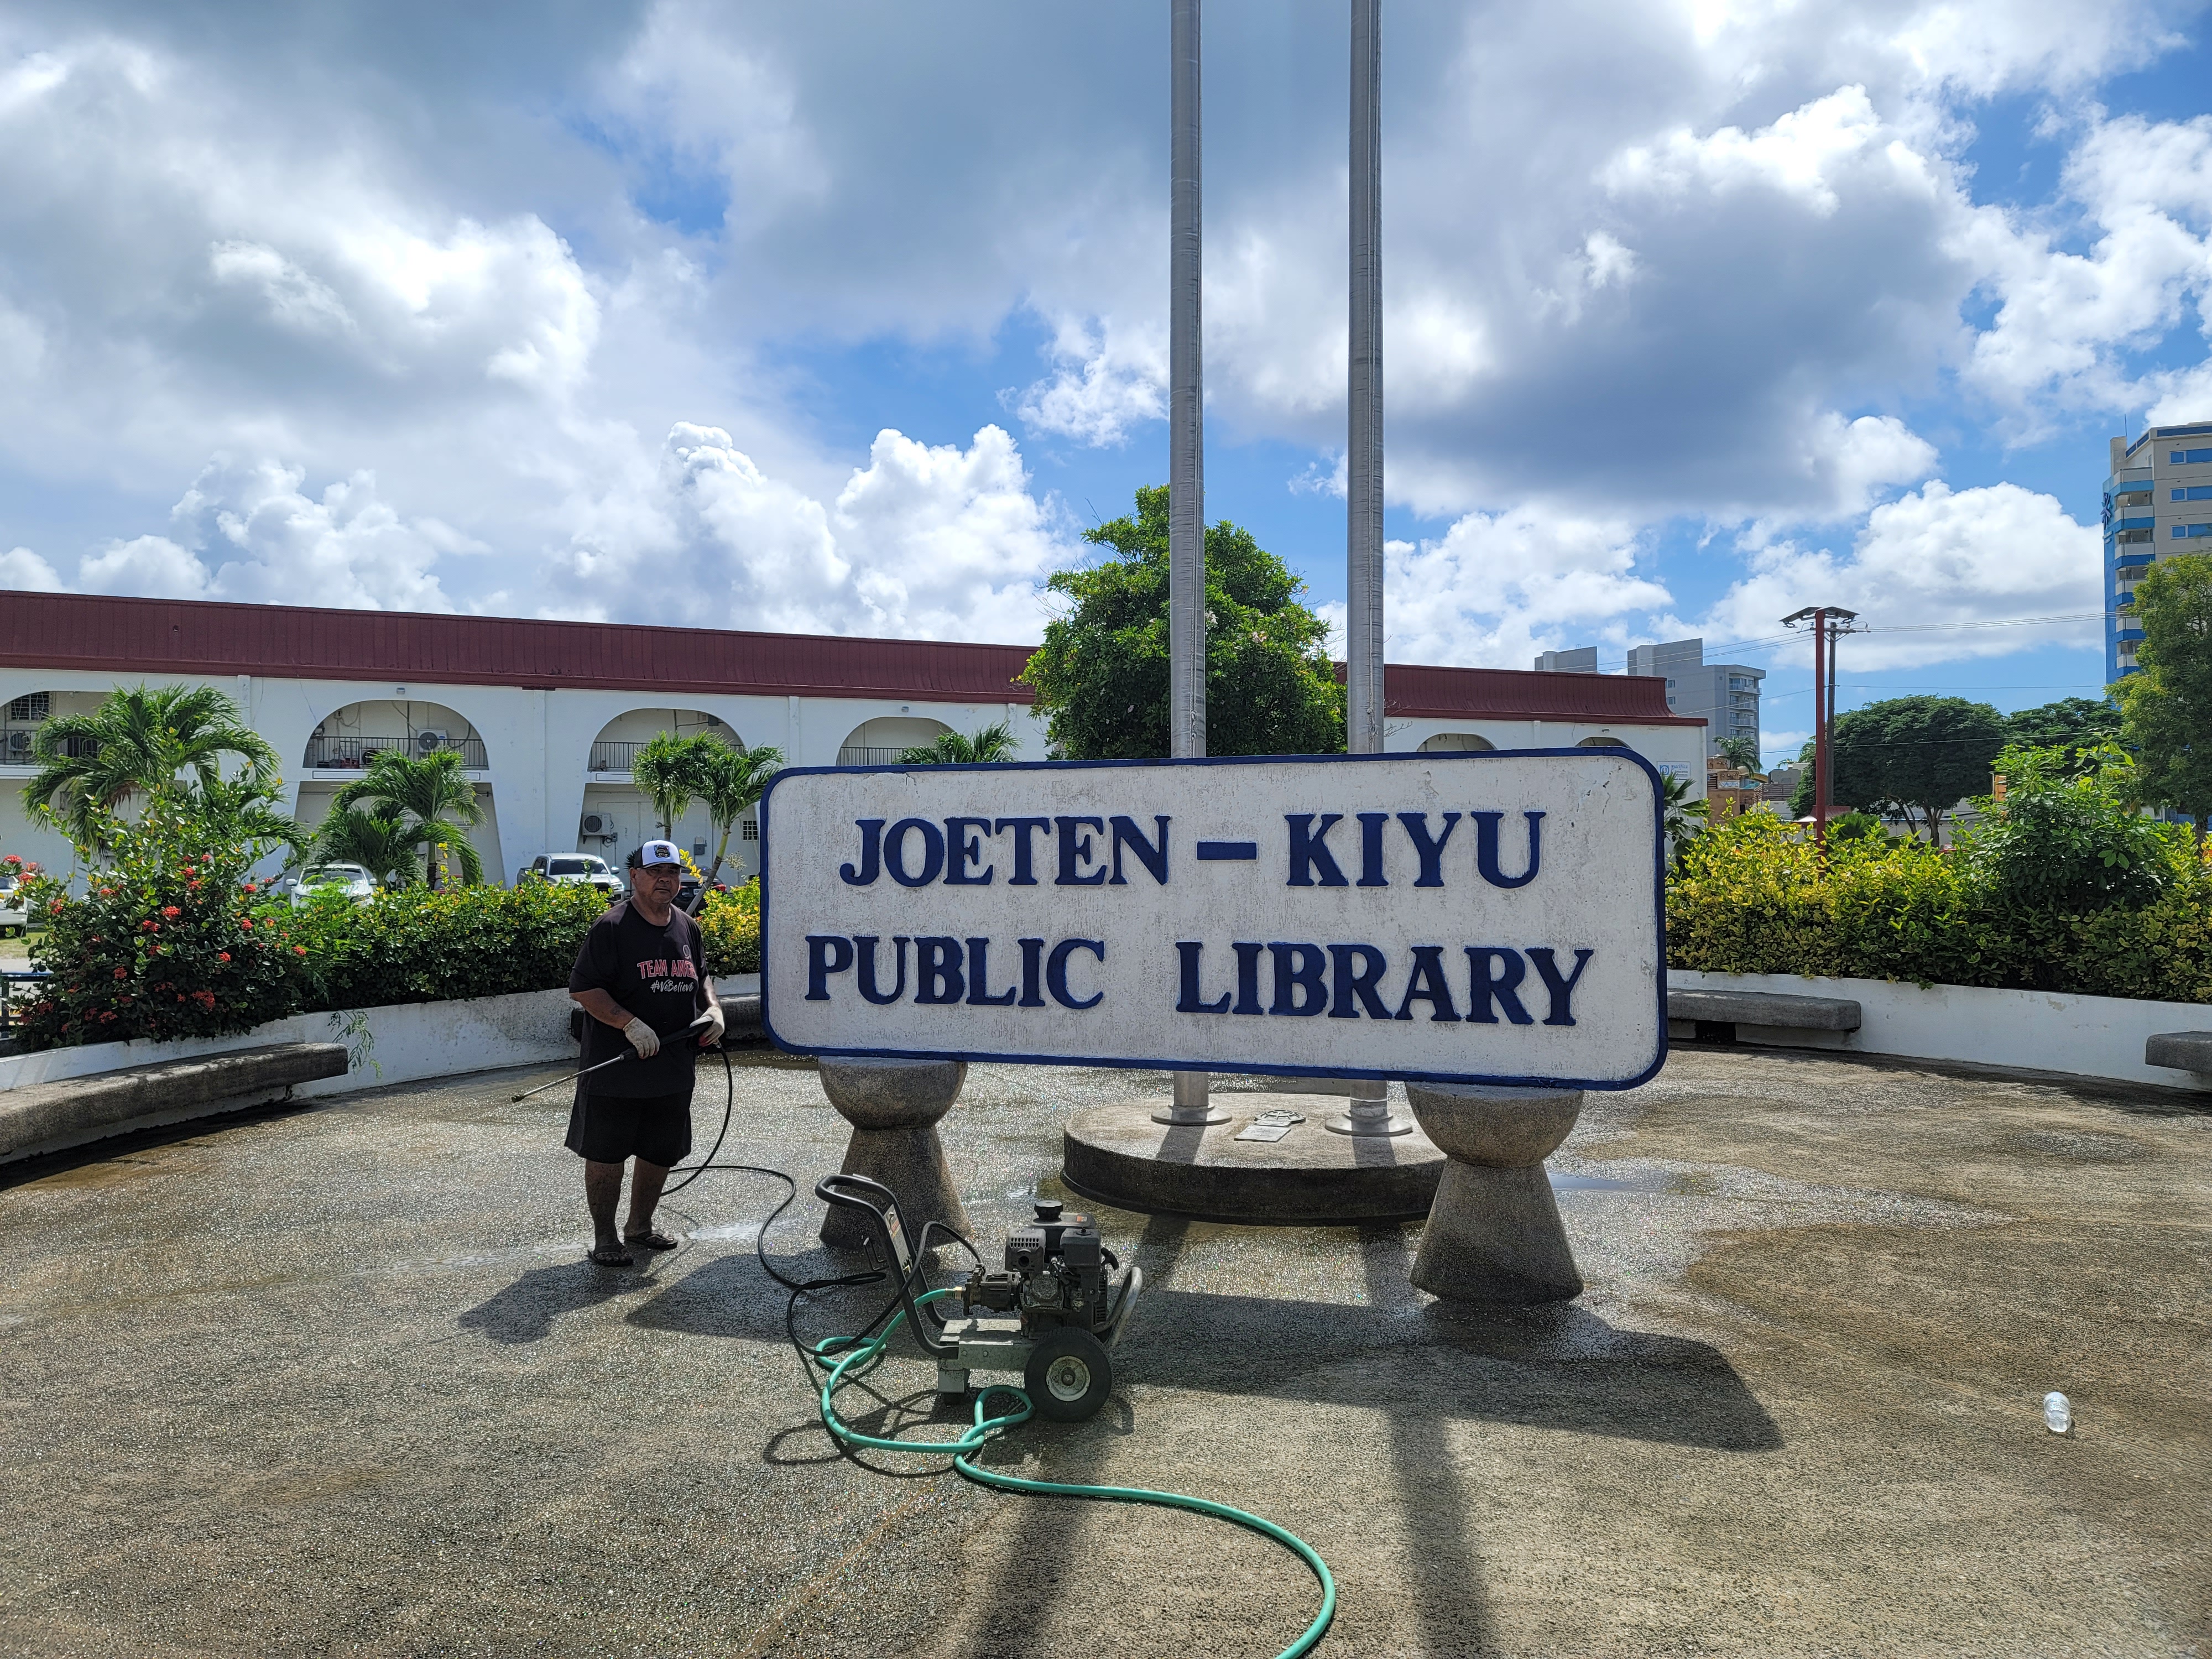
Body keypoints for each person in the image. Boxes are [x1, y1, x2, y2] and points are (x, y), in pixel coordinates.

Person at [566, 839, 725, 1265]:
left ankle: (640, 1227)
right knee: (607, 1154)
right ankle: (605, 1238)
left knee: (660, 1151)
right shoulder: (612, 927)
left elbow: (701, 976)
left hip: (672, 1067)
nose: (664, 880)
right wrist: (628, 1023)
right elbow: (584, 988)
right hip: (618, 1069)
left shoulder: (687, 927)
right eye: (655, 872)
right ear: (634, 876)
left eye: (671, 873)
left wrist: (712, 1008)